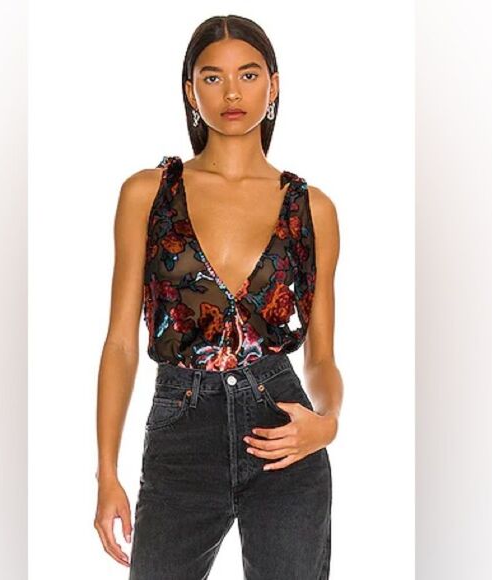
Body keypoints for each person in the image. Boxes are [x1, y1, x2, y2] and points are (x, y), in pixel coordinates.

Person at [94, 14, 343, 580]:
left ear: (273, 85)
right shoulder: (147, 194)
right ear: (191, 90)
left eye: (248, 75)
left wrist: (326, 421)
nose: (232, 92)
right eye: (213, 77)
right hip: (180, 436)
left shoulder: (312, 209)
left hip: (283, 434)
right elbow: (120, 344)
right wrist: (107, 473)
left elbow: (322, 356)